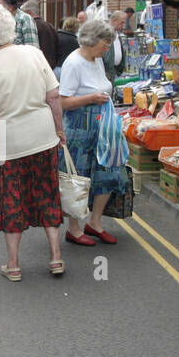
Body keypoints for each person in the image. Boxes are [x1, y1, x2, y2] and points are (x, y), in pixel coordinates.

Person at [0, 4, 65, 281]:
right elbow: (54, 97)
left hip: (6, 142)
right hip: (42, 135)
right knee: (48, 194)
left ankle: (13, 265)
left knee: (11, 200)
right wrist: (60, 131)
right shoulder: (34, 54)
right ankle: (56, 258)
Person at [59, 19, 126, 247]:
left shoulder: (95, 59)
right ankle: (74, 228)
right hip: (79, 126)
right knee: (79, 177)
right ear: (91, 40)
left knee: (107, 171)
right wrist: (90, 98)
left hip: (102, 125)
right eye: (105, 44)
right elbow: (62, 102)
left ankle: (95, 223)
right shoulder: (73, 63)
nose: (107, 49)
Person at [22, 0, 58, 68]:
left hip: (37, 66)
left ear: (29, 12)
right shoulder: (49, 25)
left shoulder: (29, 26)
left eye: (23, 13)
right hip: (50, 65)